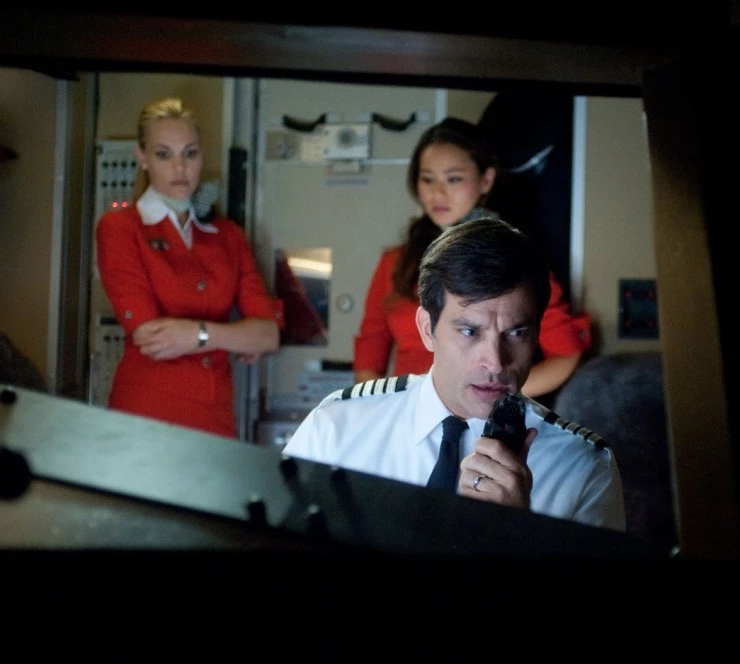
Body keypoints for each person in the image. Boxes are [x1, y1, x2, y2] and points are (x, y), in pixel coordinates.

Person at [284, 217, 625, 531]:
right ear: (427, 329)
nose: (495, 363)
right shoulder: (338, 428)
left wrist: (518, 533)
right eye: (469, 332)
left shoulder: (582, 467)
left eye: (516, 333)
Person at [353, 117, 591, 403]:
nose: (437, 193)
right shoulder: (396, 262)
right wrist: (386, 410)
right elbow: (370, 351)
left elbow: (565, 354)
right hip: (408, 415)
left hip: (487, 419)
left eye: (453, 179)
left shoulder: (514, 257)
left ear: (486, 180)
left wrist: (489, 395)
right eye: (427, 179)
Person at [95, 97, 284, 438]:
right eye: (163, 154)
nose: (179, 167)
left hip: (215, 418)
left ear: (201, 157)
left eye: (190, 154)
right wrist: (234, 337)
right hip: (147, 413)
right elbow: (152, 338)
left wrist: (198, 335)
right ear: (142, 158)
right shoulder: (121, 228)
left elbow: (268, 335)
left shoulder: (227, 236)